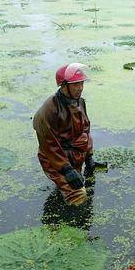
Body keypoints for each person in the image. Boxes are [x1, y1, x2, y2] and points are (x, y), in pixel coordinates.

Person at [33, 63, 95, 206]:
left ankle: (63, 191)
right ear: (63, 85)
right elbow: (49, 146)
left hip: (75, 154)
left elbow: (85, 130)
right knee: (78, 195)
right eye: (75, 85)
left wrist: (89, 156)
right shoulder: (48, 111)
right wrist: (66, 169)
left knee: (77, 181)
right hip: (55, 158)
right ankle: (68, 224)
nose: (80, 88)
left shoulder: (80, 102)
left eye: (81, 83)